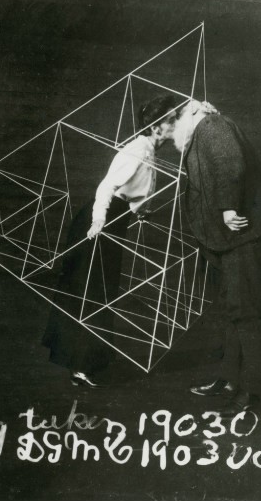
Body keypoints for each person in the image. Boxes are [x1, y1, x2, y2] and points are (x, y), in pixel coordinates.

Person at [42, 96, 178, 387]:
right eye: (171, 120)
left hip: (114, 221)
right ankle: (80, 366)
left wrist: (140, 211)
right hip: (99, 223)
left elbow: (132, 192)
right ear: (156, 127)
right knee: (91, 291)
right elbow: (107, 187)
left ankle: (82, 364)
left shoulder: (149, 150)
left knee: (100, 291)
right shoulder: (139, 149)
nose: (176, 124)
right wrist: (98, 221)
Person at [172, 100, 261, 414]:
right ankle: (228, 380)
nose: (168, 132)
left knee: (245, 312)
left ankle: (249, 394)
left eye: (171, 122)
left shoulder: (211, 125)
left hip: (247, 234)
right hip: (235, 238)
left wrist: (227, 208)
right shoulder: (203, 131)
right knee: (234, 307)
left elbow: (231, 164)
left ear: (189, 111)